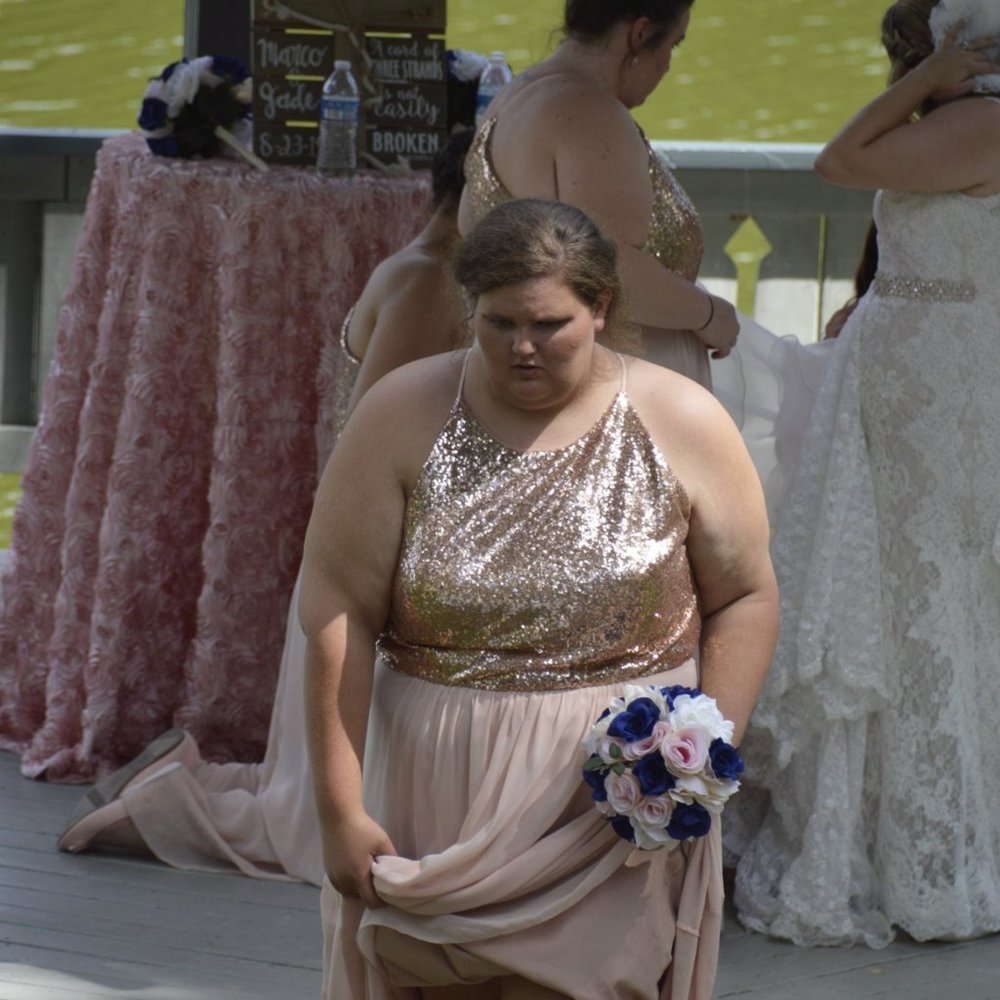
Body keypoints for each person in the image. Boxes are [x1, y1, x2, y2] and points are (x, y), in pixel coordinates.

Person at [302, 198, 778, 999]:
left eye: (548, 324)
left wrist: (699, 759)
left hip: (613, 806)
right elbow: (336, 606)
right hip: (437, 784)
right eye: (498, 324)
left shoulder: (684, 418)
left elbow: (748, 596)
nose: (523, 347)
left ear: (600, 308)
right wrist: (338, 808)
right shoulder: (399, 414)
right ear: (470, 311)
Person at [55, 128, 476, 883]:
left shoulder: (430, 269)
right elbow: (379, 430)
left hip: (382, 525)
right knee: (322, 819)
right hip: (386, 536)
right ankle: (155, 814)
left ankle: (183, 781)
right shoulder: (430, 279)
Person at [731, 0, 1000, 948]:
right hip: (933, 370)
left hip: (932, 388)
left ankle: (923, 852)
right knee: (928, 592)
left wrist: (931, 83)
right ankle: (940, 833)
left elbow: (837, 162)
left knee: (919, 591)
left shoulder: (982, 121)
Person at [457, 0, 739, 390]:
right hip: (612, 386)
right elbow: (611, 267)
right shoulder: (593, 115)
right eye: (673, 45)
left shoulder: (510, 98)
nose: (668, 66)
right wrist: (711, 315)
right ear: (639, 35)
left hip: (525, 378)